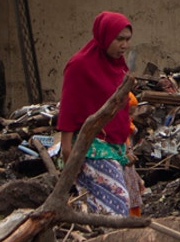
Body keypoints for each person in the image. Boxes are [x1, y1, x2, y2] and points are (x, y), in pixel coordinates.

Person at [57, 11, 136, 216]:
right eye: (119, 39)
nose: (124, 45)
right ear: (105, 36)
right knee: (117, 204)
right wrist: (68, 152)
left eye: (127, 40)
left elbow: (121, 112)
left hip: (115, 147)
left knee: (113, 206)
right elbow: (68, 109)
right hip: (91, 148)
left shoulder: (118, 68)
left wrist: (126, 146)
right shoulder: (80, 65)